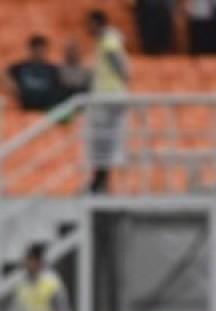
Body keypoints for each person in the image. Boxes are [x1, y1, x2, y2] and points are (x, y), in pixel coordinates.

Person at [87, 9, 130, 194]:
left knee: (105, 139)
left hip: (110, 96)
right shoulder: (106, 40)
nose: (88, 28)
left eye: (90, 24)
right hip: (107, 95)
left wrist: (123, 75)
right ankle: (99, 180)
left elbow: (117, 61)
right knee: (102, 140)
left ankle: (100, 181)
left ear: (98, 23)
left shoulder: (109, 39)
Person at [10, 243, 74, 311]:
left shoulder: (51, 282)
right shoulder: (21, 284)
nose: (29, 265)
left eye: (32, 261)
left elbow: (63, 310)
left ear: (39, 262)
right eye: (27, 261)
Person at [1, 35, 65, 113]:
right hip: (24, 108)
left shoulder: (52, 69)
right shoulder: (21, 67)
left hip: (46, 110)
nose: (39, 52)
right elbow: (2, 74)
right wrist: (12, 85)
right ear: (31, 50)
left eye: (41, 49)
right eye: (36, 49)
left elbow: (61, 84)